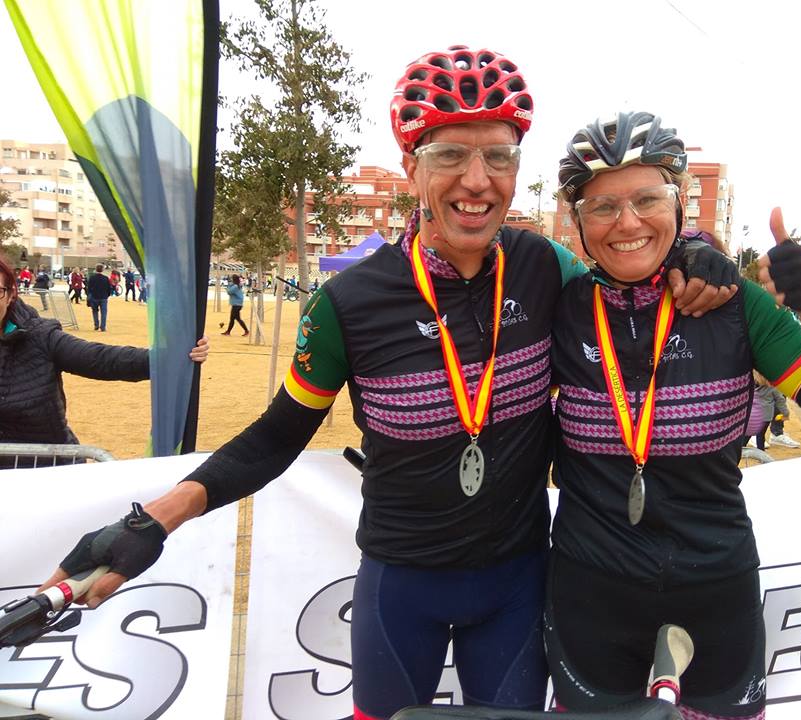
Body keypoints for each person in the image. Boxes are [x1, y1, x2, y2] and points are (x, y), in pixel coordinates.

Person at [39, 48, 736, 720]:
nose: (477, 180)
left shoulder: (545, 267)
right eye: (450, 155)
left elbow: (631, 270)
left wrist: (694, 251)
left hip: (519, 581)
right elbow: (275, 437)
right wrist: (154, 520)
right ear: (411, 167)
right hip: (402, 588)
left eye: (498, 156)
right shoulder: (348, 303)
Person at [545, 111, 801, 720]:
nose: (627, 222)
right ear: (577, 220)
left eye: (647, 199)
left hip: (714, 588)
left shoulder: (737, 305)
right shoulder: (559, 305)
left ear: (678, 200)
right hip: (591, 590)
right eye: (602, 206)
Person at [0, 256, 208, 462]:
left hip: (50, 467)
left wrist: (173, 358)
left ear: (10, 296)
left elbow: (102, 359)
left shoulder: (40, 337)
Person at [86, 264, 112, 331]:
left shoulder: (92, 278)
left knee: (95, 311)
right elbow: (109, 288)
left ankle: (96, 325)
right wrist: (107, 295)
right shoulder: (106, 278)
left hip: (94, 297)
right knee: (104, 313)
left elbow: (88, 288)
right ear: (102, 270)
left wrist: (89, 295)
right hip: (103, 297)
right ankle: (103, 327)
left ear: (96, 269)